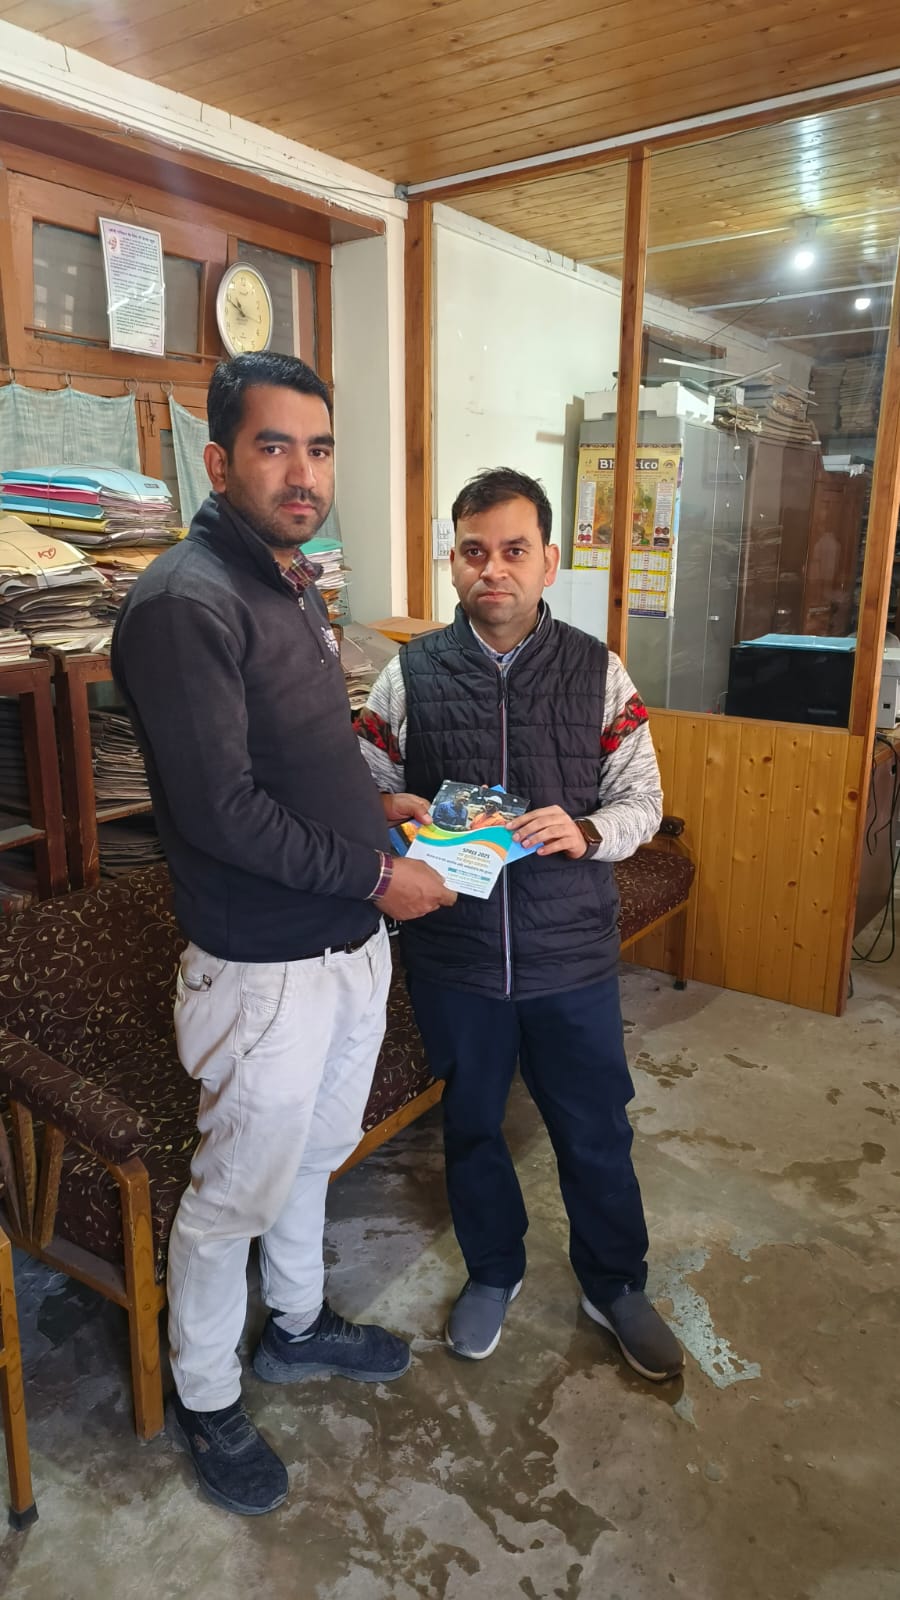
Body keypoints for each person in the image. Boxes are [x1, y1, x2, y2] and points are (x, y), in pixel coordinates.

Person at [111, 352, 453, 1517]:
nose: (302, 473)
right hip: (264, 969)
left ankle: (297, 1325)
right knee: (232, 1197)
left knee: (314, 1157)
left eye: (318, 448)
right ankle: (207, 1393)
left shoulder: (292, 576)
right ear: (218, 461)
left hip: (346, 944)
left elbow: (301, 745)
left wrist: (379, 803)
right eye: (273, 447)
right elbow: (223, 810)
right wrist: (380, 873)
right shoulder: (185, 603)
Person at [356, 467, 683, 1381]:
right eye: (473, 552)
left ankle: (614, 1284)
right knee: (471, 1127)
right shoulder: (410, 672)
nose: (491, 569)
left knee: (596, 1130)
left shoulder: (596, 670)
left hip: (568, 954)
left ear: (547, 561)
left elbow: (643, 799)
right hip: (455, 957)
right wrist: (393, 812)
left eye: (512, 550)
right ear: (453, 562)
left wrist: (587, 831)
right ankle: (493, 1271)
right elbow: (363, 782)